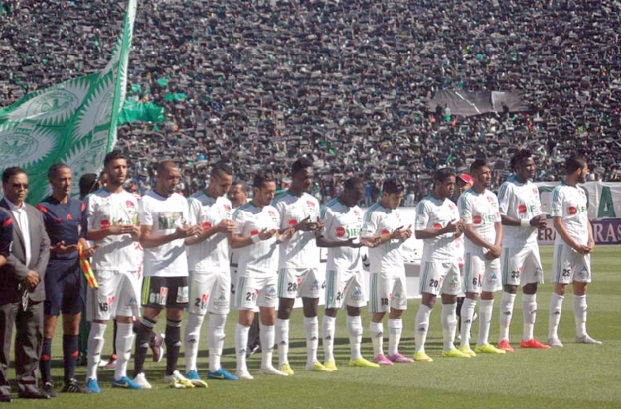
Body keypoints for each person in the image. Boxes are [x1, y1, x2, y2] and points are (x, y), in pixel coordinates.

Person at [133, 160, 202, 389]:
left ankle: (171, 371)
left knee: (176, 319)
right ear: (159, 176)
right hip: (157, 270)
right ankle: (138, 373)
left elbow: (186, 237)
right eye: (171, 177)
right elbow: (144, 240)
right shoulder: (147, 201)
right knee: (150, 317)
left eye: (177, 177)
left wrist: (201, 234)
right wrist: (175, 235)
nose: (175, 181)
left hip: (179, 269)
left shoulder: (182, 201)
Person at [83, 151, 143, 392]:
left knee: (127, 320)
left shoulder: (134, 199)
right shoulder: (94, 199)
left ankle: (120, 374)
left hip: (130, 266)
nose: (121, 171)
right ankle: (91, 376)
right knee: (100, 323)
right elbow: (84, 233)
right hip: (105, 266)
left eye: (124, 166)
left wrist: (138, 233)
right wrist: (110, 231)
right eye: (116, 167)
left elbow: (141, 232)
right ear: (106, 170)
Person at [230, 172, 294, 379]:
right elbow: (234, 242)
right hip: (249, 272)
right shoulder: (242, 214)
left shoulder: (273, 212)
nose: (271, 196)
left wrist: (284, 236)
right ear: (255, 191)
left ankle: (266, 363)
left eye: (274, 192)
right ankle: (241, 366)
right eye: (267, 192)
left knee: (269, 317)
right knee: (247, 318)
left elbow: (274, 238)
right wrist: (257, 237)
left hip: (269, 272)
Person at [36, 164, 92, 395]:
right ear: (52, 181)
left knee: (73, 325)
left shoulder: (79, 206)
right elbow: (39, 243)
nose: (67, 183)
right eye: (62, 179)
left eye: (69, 179)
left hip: (74, 270)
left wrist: (85, 248)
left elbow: (82, 236)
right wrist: (54, 248)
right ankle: (46, 380)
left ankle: (70, 379)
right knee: (49, 327)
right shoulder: (43, 208)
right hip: (53, 271)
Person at [318, 177, 381, 370]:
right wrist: (345, 243)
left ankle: (356, 355)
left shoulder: (356, 210)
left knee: (356, 309)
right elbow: (320, 241)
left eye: (361, 197)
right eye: (355, 195)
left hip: (356, 267)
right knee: (332, 309)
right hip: (337, 267)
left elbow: (357, 237)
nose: (357, 201)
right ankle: (329, 358)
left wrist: (368, 241)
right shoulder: (328, 210)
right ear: (345, 190)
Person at [273, 157, 328, 374]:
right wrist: (298, 227)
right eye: (305, 177)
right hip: (289, 263)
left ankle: (312, 359)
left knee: (312, 309)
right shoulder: (280, 202)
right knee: (285, 309)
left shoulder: (313, 201)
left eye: (311, 177)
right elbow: (275, 235)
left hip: (311, 262)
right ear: (293, 177)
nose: (308, 181)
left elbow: (316, 232)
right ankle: (283, 361)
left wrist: (317, 228)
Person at [0, 167, 51, 400]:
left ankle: (28, 384)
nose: (21, 189)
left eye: (25, 186)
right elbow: (2, 252)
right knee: (3, 339)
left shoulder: (35, 213)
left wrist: (36, 273)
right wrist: (24, 273)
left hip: (34, 286)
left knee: (32, 337)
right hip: (7, 286)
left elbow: (45, 246)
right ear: (5, 186)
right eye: (16, 185)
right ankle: (1, 388)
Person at [184, 163, 237, 383]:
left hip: (222, 267)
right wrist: (216, 228)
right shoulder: (194, 202)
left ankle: (215, 366)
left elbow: (231, 239)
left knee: (221, 317)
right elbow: (188, 239)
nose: (227, 189)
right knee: (197, 317)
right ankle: (190, 368)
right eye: (224, 184)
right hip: (201, 267)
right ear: (212, 179)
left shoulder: (226, 203)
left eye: (230, 185)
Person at [413, 168, 470, 361]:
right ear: (437, 183)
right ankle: (419, 349)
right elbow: (419, 233)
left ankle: (448, 346)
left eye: (453, 184)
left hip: (451, 258)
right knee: (429, 301)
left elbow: (452, 233)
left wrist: (458, 230)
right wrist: (445, 229)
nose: (452, 188)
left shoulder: (452, 206)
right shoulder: (425, 205)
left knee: (451, 302)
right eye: (448, 184)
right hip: (434, 259)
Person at [496, 150, 550, 351]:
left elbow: (536, 213)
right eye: (527, 165)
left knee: (531, 287)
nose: (532, 168)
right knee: (511, 288)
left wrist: (540, 220)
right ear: (517, 167)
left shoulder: (533, 188)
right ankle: (504, 338)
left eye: (533, 164)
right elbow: (499, 215)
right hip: (513, 245)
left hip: (531, 244)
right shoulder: (508, 187)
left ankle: (528, 337)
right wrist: (529, 221)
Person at [548, 156, 601, 347]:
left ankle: (582, 333)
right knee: (561, 287)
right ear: (578, 171)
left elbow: (585, 219)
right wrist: (575, 244)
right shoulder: (559, 191)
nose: (588, 173)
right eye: (586, 170)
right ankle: (553, 335)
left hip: (583, 246)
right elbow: (558, 224)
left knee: (582, 286)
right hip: (566, 247)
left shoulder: (581, 192)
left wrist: (591, 239)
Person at [362, 178, 414, 365]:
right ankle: (378, 354)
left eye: (400, 198)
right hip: (381, 268)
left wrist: (403, 236)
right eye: (394, 198)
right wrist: (392, 235)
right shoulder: (372, 214)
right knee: (380, 311)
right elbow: (366, 239)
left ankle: (394, 352)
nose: (398, 201)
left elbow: (396, 238)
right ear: (384, 195)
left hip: (398, 266)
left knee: (398, 309)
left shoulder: (397, 214)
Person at [457, 159, 505, 356]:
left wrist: (497, 246)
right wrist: (489, 246)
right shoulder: (466, 198)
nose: (489, 176)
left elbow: (498, 223)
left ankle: (483, 341)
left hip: (492, 253)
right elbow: (467, 228)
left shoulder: (492, 197)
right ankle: (464, 343)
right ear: (475, 175)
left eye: (490, 172)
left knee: (489, 294)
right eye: (485, 173)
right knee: (472, 294)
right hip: (475, 253)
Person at [228, 181, 260, 356]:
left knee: (250, 303)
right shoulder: (231, 212)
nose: (232, 196)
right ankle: (254, 339)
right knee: (243, 303)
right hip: (232, 262)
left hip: (249, 263)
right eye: (231, 193)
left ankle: (253, 341)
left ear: (246, 193)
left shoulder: (250, 212)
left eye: (236, 192)